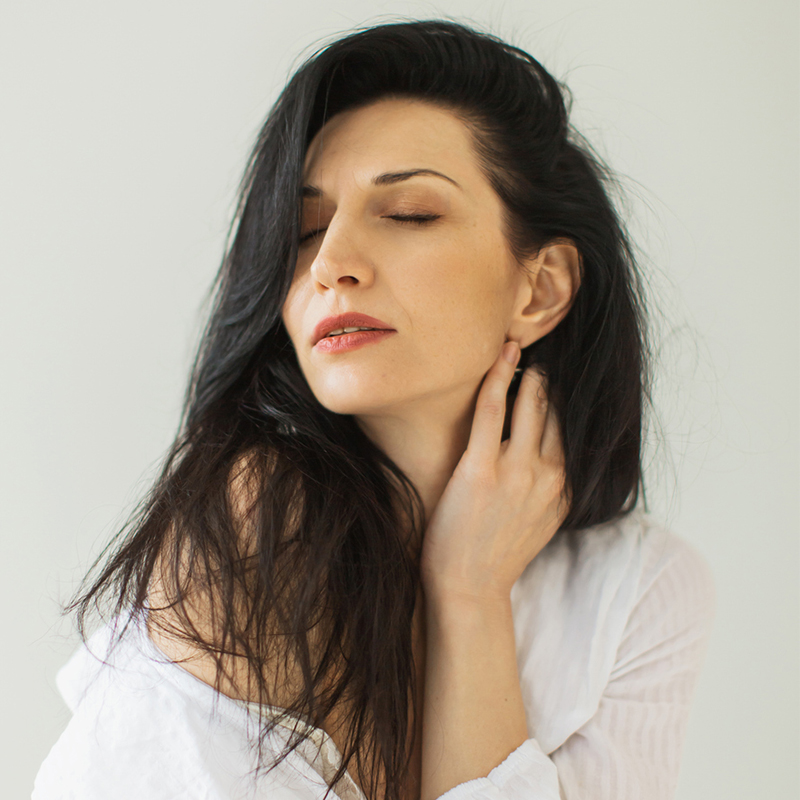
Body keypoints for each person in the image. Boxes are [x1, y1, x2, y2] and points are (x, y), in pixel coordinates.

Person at [33, 18, 716, 800]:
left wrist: (470, 591)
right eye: (306, 230)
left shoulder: (636, 592)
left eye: (408, 215)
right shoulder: (256, 524)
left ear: (541, 288)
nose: (331, 265)